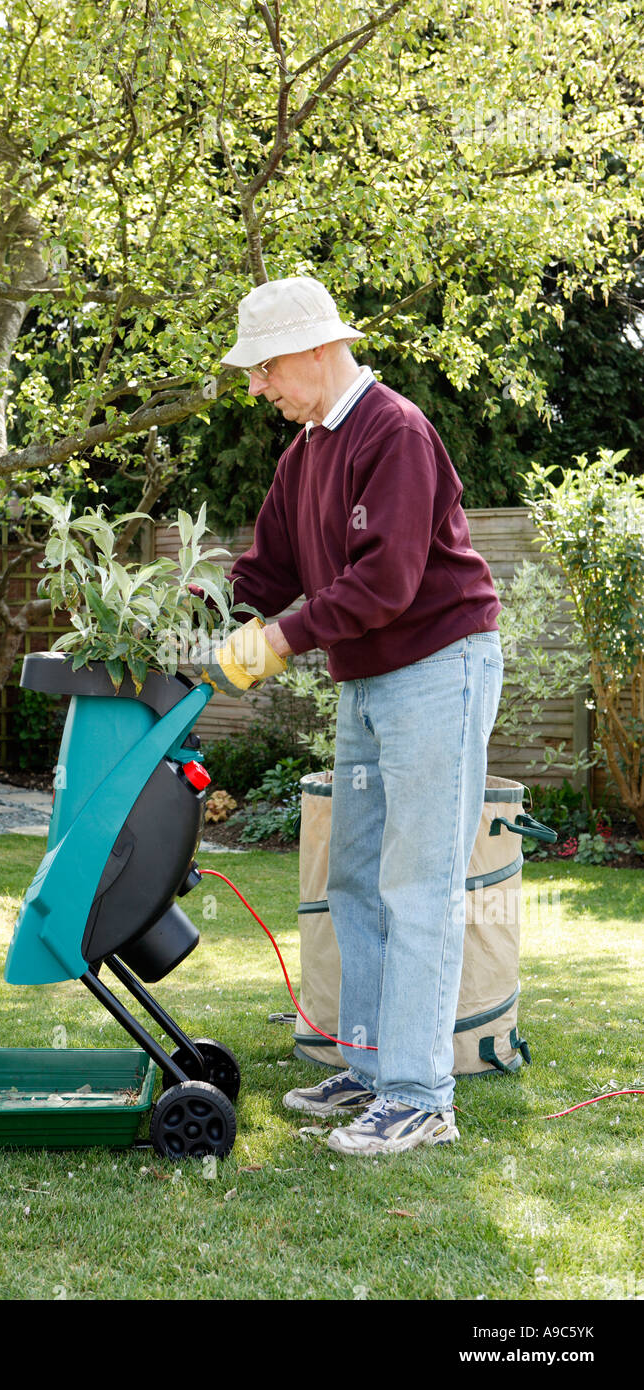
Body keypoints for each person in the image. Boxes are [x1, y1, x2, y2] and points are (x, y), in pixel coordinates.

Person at [218, 275, 504, 1155]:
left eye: (264, 368)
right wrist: (194, 619)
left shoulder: (395, 432)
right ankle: (375, 1067)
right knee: (351, 880)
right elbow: (262, 574)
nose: (258, 387)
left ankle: (421, 1096)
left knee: (416, 886)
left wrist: (279, 642)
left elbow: (385, 583)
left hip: (438, 670)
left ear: (310, 349)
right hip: (369, 682)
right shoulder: (304, 452)